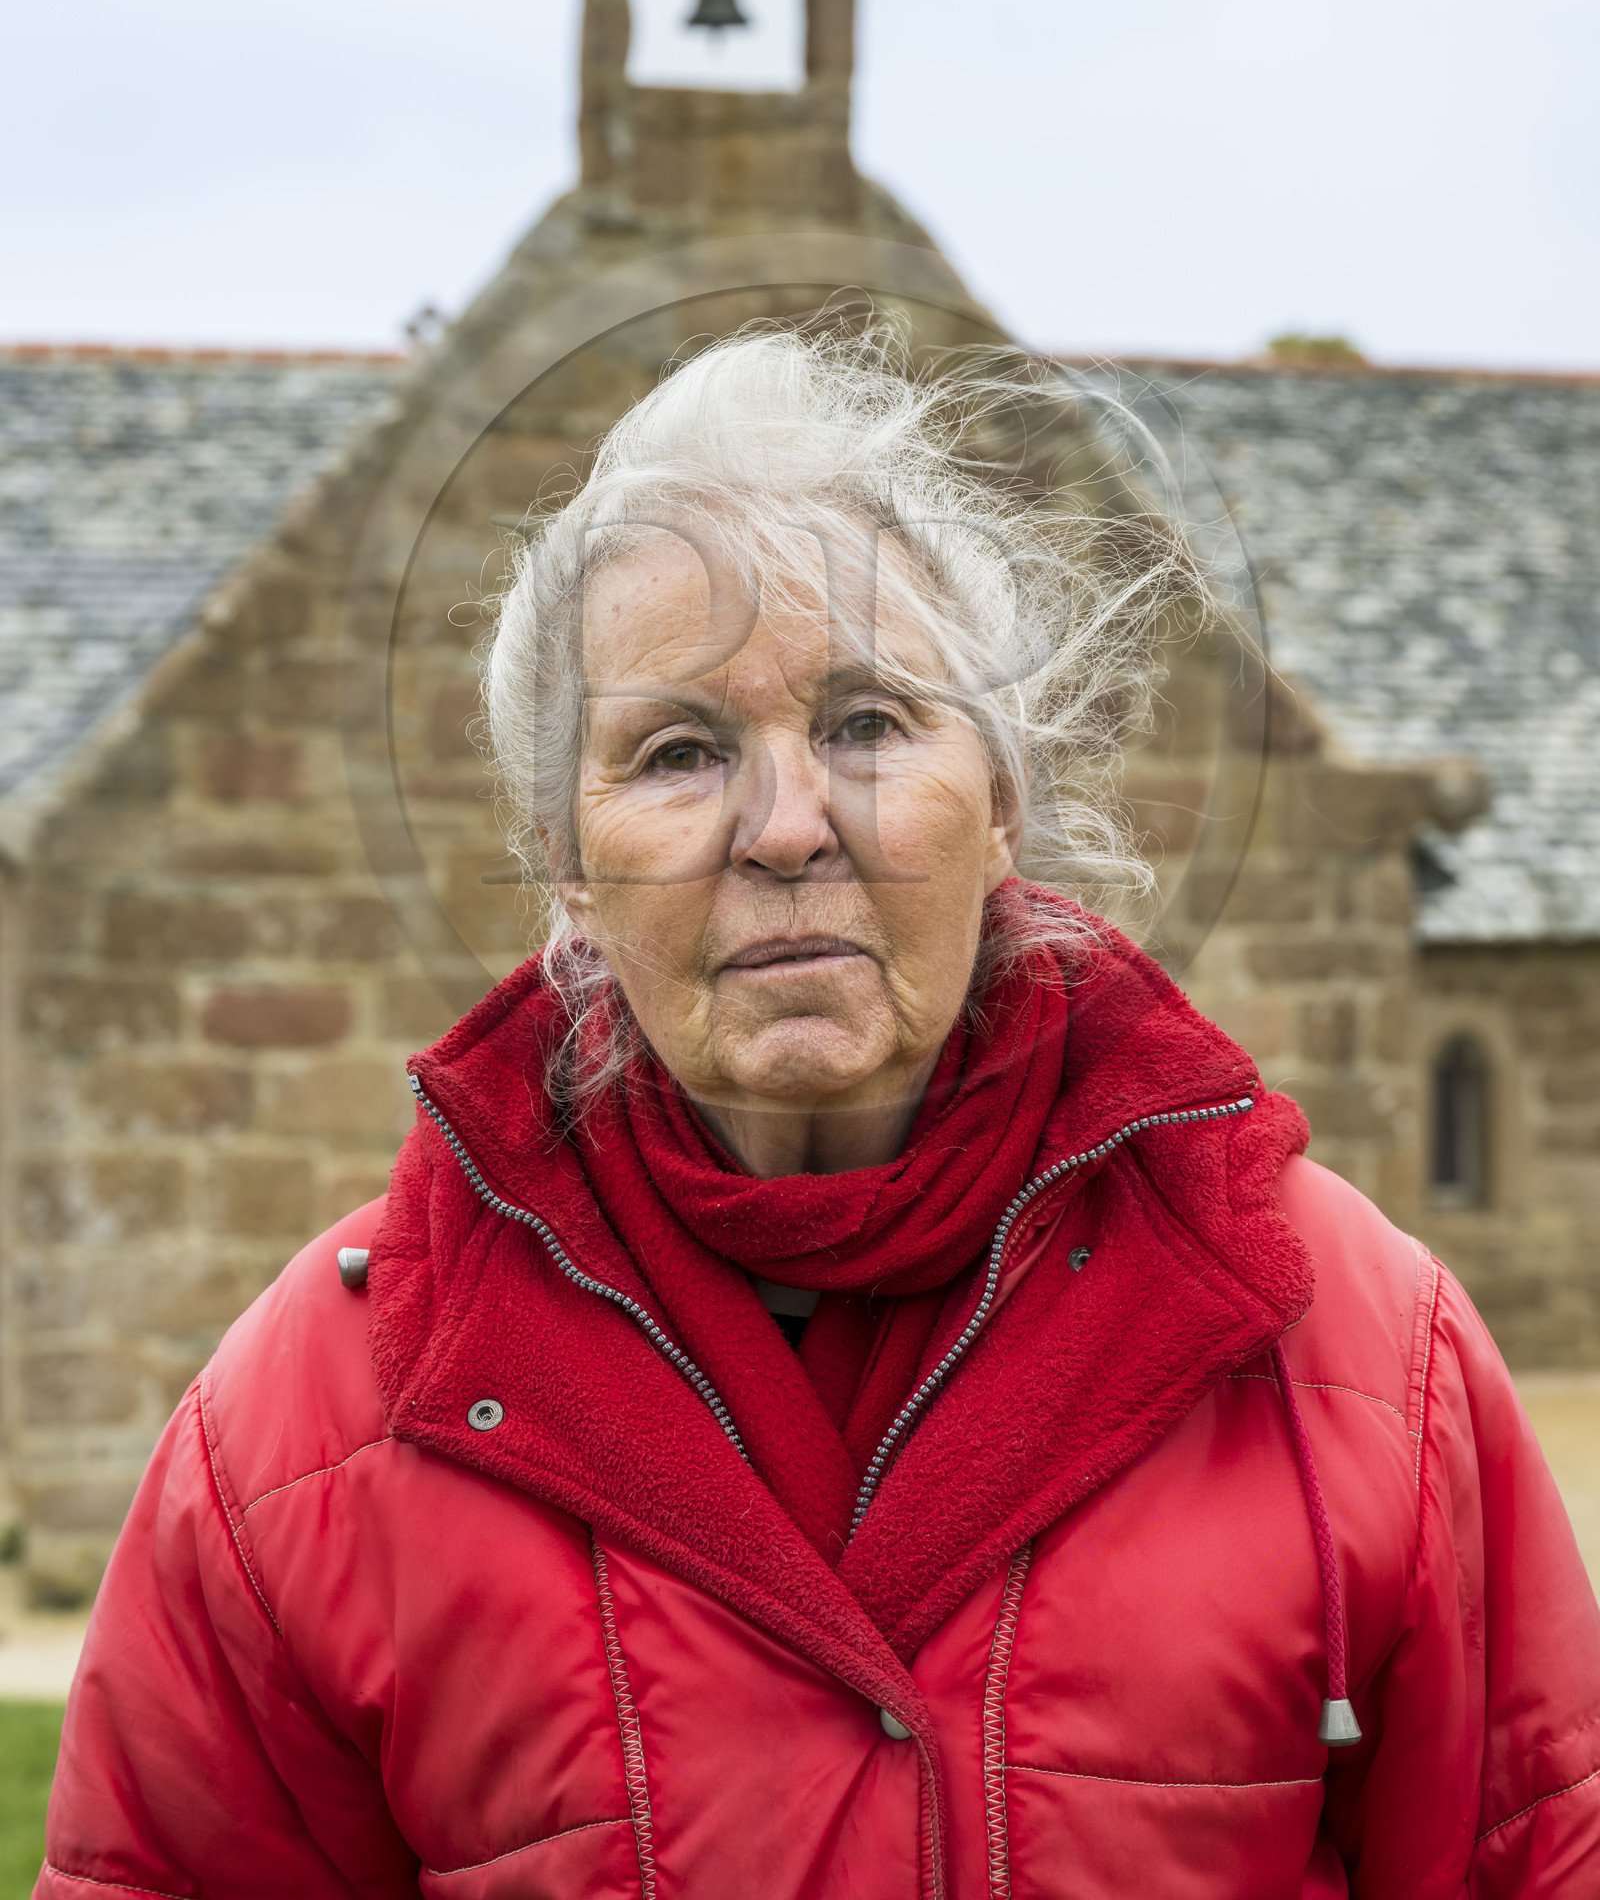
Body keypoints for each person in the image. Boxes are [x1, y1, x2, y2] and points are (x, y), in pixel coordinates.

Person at [39, 330, 1600, 1897]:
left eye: (867, 722)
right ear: (568, 869)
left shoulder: (1364, 1355)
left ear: (1000, 805)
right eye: (676, 751)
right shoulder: (303, 1424)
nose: (788, 828)